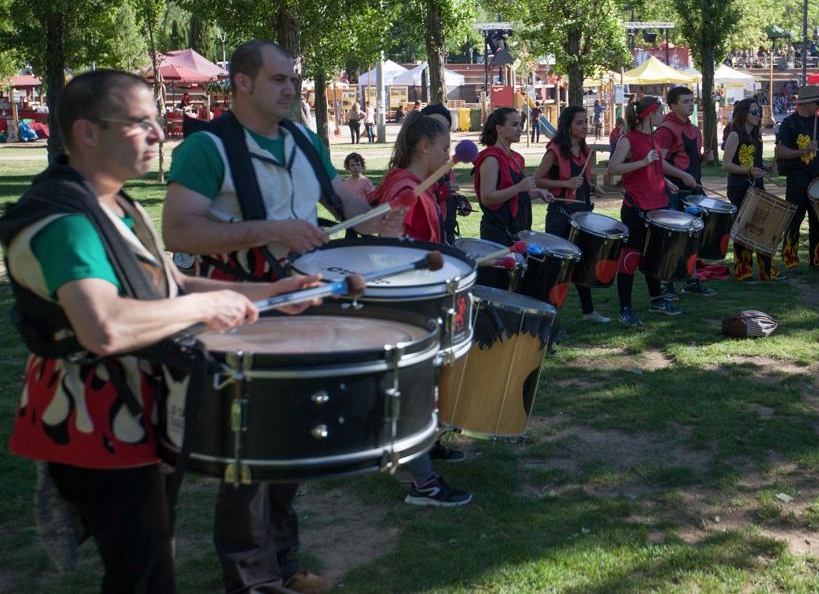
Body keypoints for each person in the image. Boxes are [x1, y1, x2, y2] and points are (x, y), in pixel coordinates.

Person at [0, 70, 322, 594]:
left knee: (148, 563)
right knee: (144, 572)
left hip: (131, 412)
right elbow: (102, 326)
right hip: (91, 422)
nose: (158, 134)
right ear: (87, 132)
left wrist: (270, 292)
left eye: (156, 121)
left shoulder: (115, 205)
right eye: (140, 123)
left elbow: (167, 283)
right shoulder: (67, 222)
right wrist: (212, 305)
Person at [163, 40, 405, 594]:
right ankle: (252, 577)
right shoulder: (207, 148)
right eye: (277, 80)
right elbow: (178, 230)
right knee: (250, 448)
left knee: (291, 440)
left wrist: (373, 221)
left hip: (302, 303)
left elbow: (341, 206)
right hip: (236, 311)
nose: (291, 89)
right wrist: (270, 230)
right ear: (242, 83)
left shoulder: (304, 140)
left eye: (292, 79)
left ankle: (283, 561)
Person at [367, 112, 473, 506]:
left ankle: (423, 446)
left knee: (423, 383)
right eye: (445, 147)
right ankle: (423, 482)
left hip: (416, 295)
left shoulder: (415, 184)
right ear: (425, 147)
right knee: (412, 387)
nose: (449, 153)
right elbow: (390, 245)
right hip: (403, 302)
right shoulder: (404, 185)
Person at [607, 95, 681, 326]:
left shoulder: (654, 138)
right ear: (650, 114)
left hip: (658, 203)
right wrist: (643, 163)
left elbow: (654, 167)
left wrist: (666, 182)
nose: (663, 116)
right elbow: (612, 169)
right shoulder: (627, 139)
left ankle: (656, 299)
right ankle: (625, 308)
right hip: (636, 207)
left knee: (654, 255)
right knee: (630, 256)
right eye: (660, 113)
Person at [536, 105, 609, 322]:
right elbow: (538, 179)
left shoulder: (585, 150)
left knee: (583, 262)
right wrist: (565, 182)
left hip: (583, 213)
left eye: (586, 122)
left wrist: (593, 187)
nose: (585, 126)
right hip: (561, 213)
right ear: (568, 126)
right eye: (579, 123)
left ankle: (589, 312)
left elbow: (583, 180)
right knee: (558, 266)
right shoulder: (555, 150)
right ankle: (549, 316)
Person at [655, 86, 714, 297]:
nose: (691, 104)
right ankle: (666, 285)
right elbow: (658, 162)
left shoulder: (693, 129)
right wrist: (681, 176)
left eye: (692, 100)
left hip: (693, 189)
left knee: (694, 237)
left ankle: (690, 279)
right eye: (686, 101)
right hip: (673, 190)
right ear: (673, 105)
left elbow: (685, 159)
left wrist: (701, 159)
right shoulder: (665, 129)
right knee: (674, 239)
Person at [773, 87, 819, 271]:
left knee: (818, 218)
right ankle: (790, 259)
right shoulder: (789, 123)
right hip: (798, 177)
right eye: (816, 102)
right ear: (805, 103)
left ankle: (818, 259)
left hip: (817, 175)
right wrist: (804, 151)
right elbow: (780, 151)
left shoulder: (817, 121)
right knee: (795, 219)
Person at [473, 107, 553, 245]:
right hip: (498, 233)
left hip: (519, 230)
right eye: (514, 125)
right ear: (499, 128)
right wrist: (518, 187)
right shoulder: (491, 159)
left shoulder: (516, 157)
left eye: (520, 125)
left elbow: (516, 195)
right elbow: (487, 198)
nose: (520, 129)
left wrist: (538, 193)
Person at [723, 98, 780, 280]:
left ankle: (767, 271)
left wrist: (765, 166)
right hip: (739, 187)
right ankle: (743, 271)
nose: (758, 116)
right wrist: (748, 171)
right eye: (754, 112)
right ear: (743, 113)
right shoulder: (734, 135)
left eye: (759, 112)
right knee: (744, 229)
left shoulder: (757, 135)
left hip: (757, 185)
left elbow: (755, 162)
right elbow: (727, 165)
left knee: (762, 226)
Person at [420, 103, 463, 243]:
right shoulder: (411, 166)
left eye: (444, 128)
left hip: (445, 236)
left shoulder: (446, 162)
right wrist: (440, 194)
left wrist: (458, 201)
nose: (439, 133)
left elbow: (444, 195)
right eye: (434, 126)